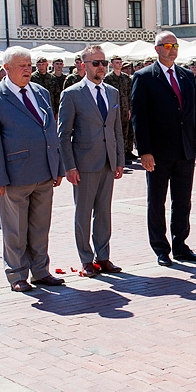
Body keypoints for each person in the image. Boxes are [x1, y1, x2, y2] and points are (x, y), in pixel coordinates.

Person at [0, 47, 65, 291]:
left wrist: (57, 166)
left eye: (29, 64)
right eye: (21, 65)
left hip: (44, 172)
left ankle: (40, 271)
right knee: (15, 229)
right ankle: (17, 274)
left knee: (40, 227)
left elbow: (50, 130)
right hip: (15, 175)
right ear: (6, 69)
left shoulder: (41, 92)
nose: (28, 69)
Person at [131, 32, 196, 266]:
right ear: (157, 49)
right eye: (167, 45)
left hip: (184, 150)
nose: (172, 49)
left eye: (175, 45)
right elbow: (139, 117)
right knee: (157, 201)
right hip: (158, 152)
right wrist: (144, 150)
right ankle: (161, 249)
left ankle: (180, 245)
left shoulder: (186, 76)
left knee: (183, 200)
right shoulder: (144, 77)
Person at [58, 46, 125, 277]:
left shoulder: (113, 92)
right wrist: (69, 166)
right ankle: (86, 259)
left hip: (108, 161)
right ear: (83, 65)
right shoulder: (72, 94)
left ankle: (103, 257)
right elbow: (63, 134)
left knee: (104, 212)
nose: (101, 67)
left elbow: (117, 129)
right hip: (83, 164)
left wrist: (119, 160)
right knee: (83, 213)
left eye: (103, 62)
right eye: (95, 63)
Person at [103, 55, 135, 164]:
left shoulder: (126, 78)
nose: (119, 64)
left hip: (125, 110)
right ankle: (114, 155)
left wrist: (130, 109)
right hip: (113, 109)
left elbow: (130, 94)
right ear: (112, 64)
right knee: (114, 132)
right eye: (117, 62)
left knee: (124, 132)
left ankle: (124, 154)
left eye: (120, 62)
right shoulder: (108, 78)